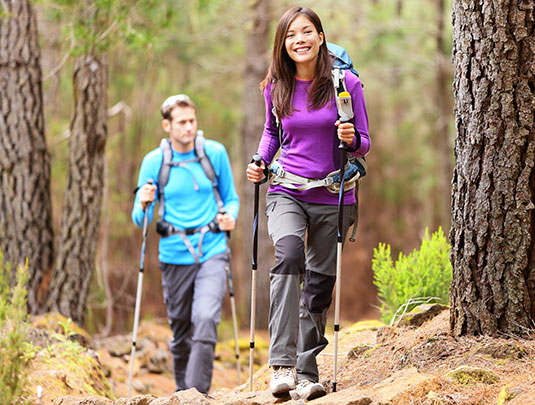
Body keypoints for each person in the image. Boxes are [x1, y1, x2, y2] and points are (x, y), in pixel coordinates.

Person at [246, 6, 370, 400]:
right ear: (283, 44)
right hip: (287, 190)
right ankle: (280, 365)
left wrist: (350, 137)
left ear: (320, 36)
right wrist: (260, 161)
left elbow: (364, 142)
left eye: (306, 32)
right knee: (287, 256)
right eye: (290, 35)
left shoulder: (344, 83)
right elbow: (272, 132)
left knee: (318, 283)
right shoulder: (275, 86)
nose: (298, 40)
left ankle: (306, 371)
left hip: (334, 195)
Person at [132, 94, 240, 394]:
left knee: (205, 319)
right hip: (173, 254)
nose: (189, 127)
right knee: (181, 329)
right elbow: (140, 222)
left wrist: (230, 216)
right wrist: (143, 203)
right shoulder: (154, 162)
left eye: (192, 120)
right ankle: (183, 392)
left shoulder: (214, 153)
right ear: (167, 125)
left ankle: (197, 394)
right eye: (181, 122)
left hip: (213, 249)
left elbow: (231, 198)